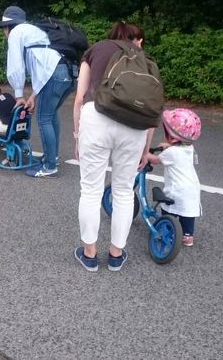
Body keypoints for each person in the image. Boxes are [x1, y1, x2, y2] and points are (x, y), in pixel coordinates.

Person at [72, 21, 153, 272]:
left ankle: (90, 254)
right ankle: (116, 255)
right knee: (123, 191)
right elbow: (151, 108)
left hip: (96, 118)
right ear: (136, 40)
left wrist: (77, 136)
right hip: (133, 126)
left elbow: (79, 98)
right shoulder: (144, 59)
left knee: (91, 190)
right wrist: (145, 148)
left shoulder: (95, 50)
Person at [0, 6, 76, 178]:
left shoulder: (16, 33)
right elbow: (43, 68)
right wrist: (32, 96)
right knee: (51, 114)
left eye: (3, 27)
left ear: (8, 26)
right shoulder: (35, 30)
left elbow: (16, 66)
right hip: (69, 72)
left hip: (54, 74)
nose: (3, 31)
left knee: (44, 118)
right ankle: (52, 157)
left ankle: (49, 166)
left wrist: (18, 95)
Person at [146, 108, 202, 247]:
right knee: (187, 213)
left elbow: (155, 160)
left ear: (171, 136)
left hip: (177, 190)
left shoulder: (171, 152)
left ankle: (167, 230)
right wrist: (169, 146)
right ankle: (188, 236)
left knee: (168, 209)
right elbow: (178, 152)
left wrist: (144, 153)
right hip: (192, 189)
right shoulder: (189, 148)